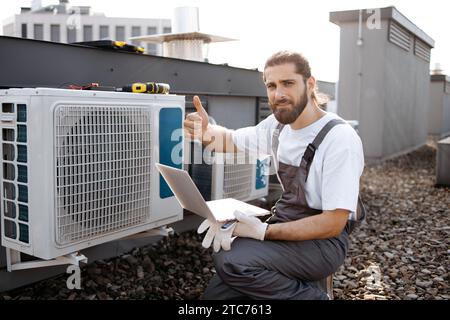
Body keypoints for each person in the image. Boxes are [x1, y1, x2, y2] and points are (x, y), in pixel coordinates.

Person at [184, 51, 365, 300]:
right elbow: (229, 141)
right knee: (215, 297)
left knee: (232, 261)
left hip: (323, 243)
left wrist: (261, 232)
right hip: (285, 225)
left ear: (310, 84)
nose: (278, 94)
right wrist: (204, 131)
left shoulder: (339, 139)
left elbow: (333, 223)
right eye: (271, 85)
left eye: (288, 83)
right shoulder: (276, 128)